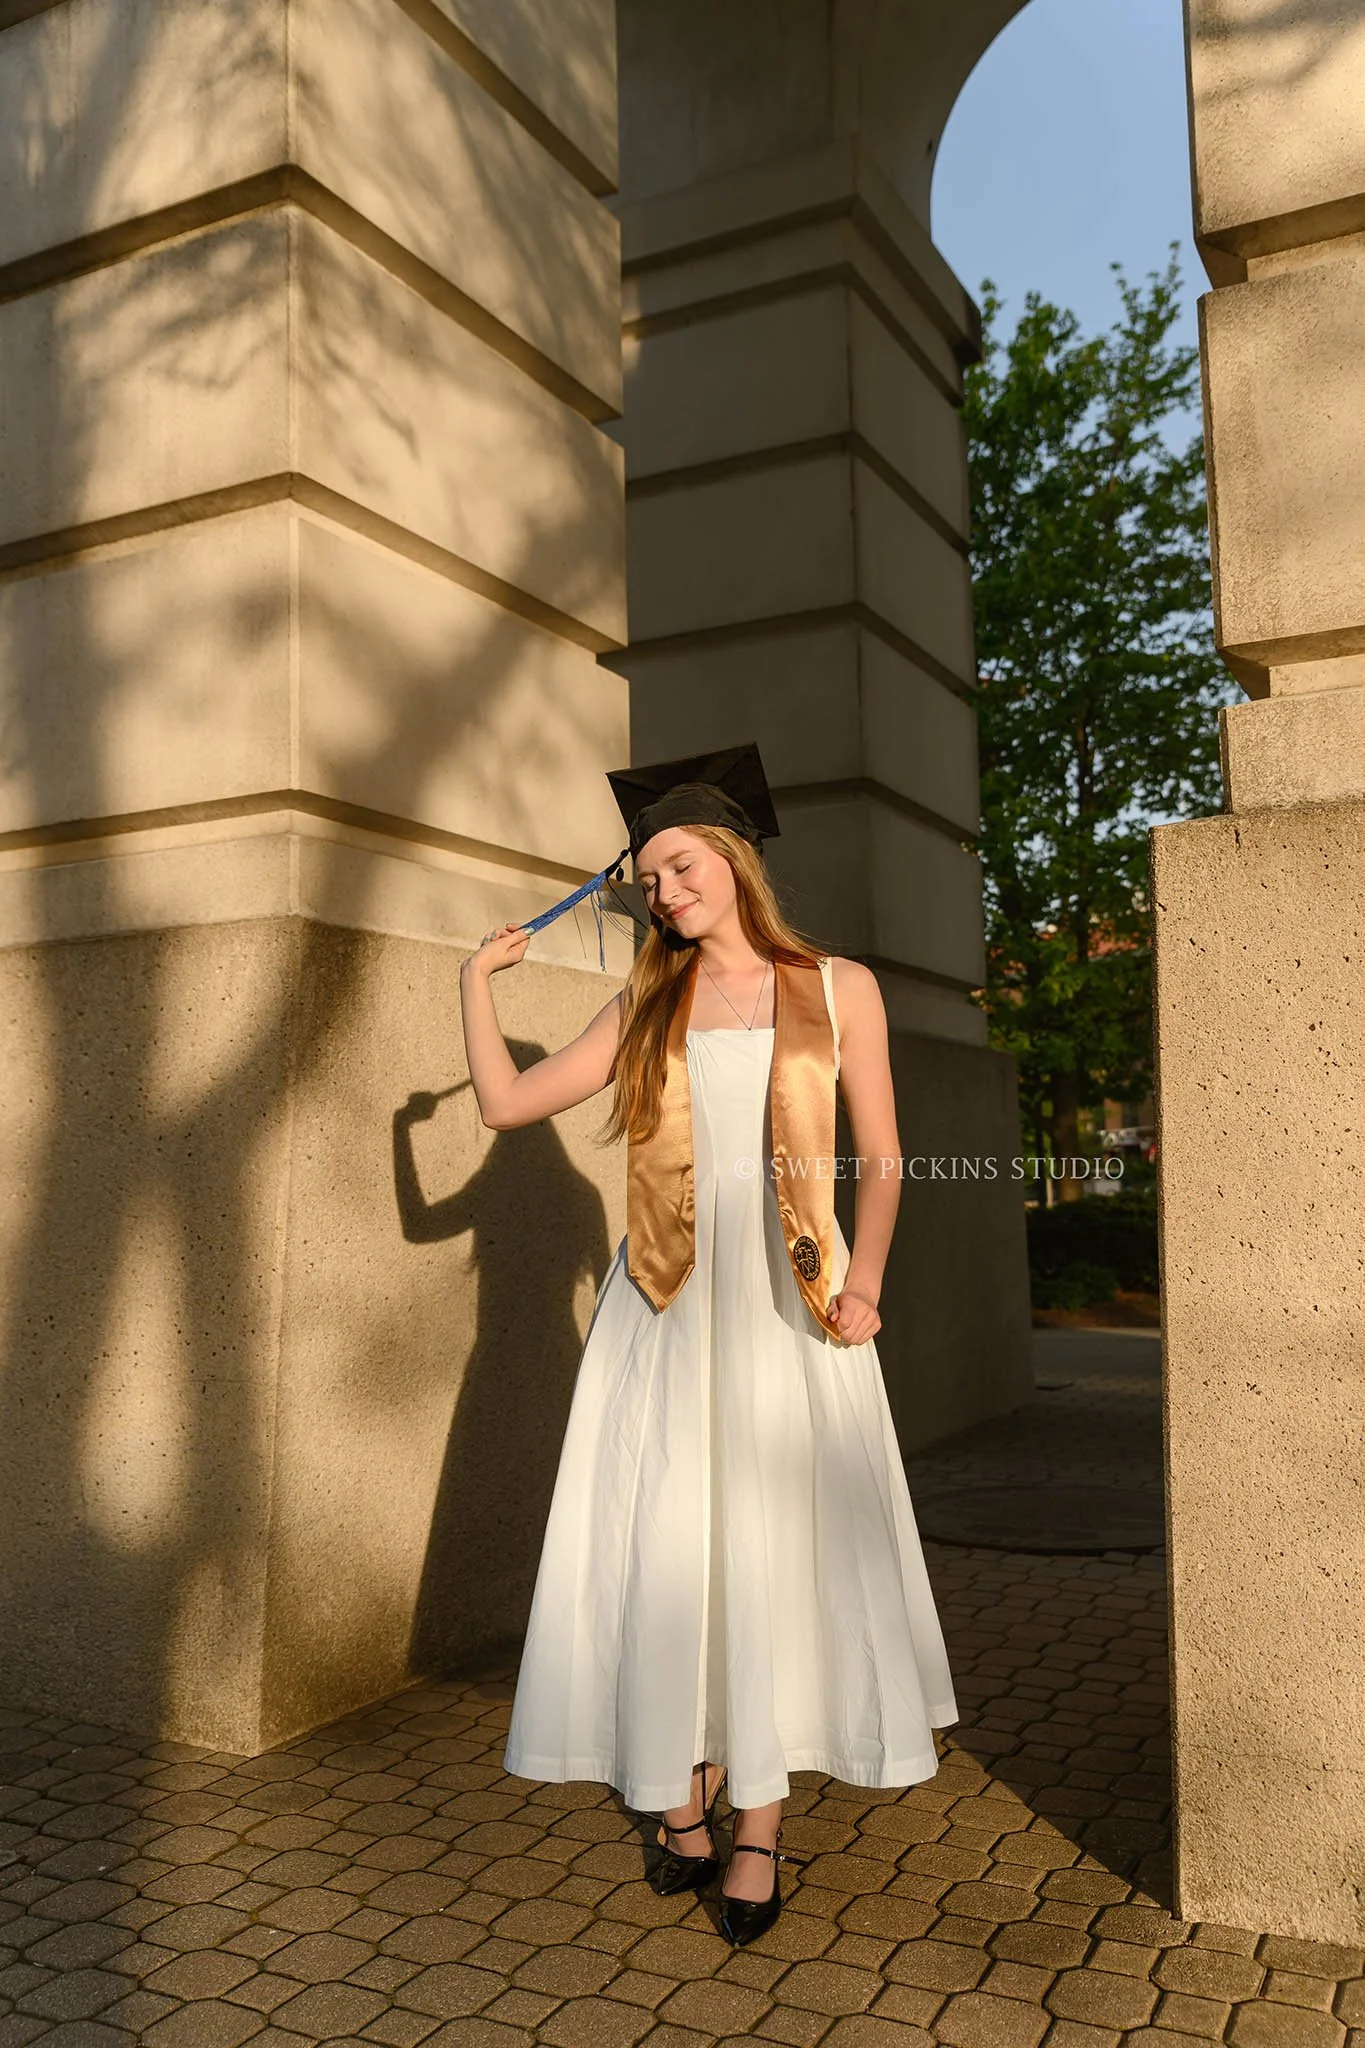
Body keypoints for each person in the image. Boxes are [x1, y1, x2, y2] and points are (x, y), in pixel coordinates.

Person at [458, 742, 958, 1946]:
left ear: (734, 860)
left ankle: (759, 1819)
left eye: (681, 866)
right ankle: (679, 1791)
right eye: (648, 879)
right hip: (667, 1306)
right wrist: (475, 983)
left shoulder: (838, 985)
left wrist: (867, 1280)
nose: (665, 890)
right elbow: (508, 1103)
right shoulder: (647, 1002)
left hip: (793, 1301)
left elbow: (883, 1157)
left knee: (772, 1541)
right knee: (668, 1539)